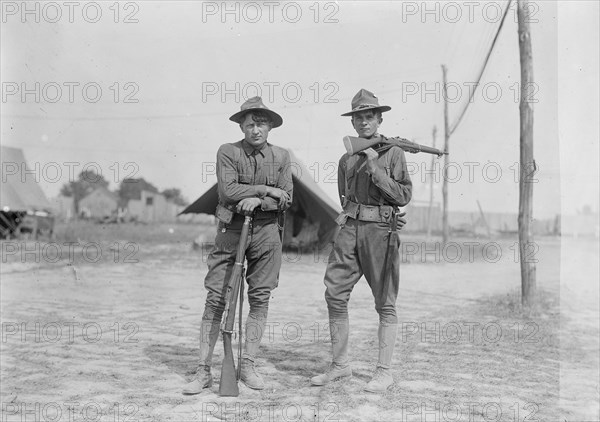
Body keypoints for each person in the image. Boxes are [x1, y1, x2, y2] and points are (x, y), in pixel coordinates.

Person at [183, 96, 293, 394]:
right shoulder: (228, 152)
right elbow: (228, 190)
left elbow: (287, 197)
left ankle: (248, 365)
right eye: (249, 124)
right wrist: (265, 188)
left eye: (261, 124)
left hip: (268, 234)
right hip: (231, 231)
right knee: (217, 297)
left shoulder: (283, 157)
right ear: (242, 126)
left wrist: (258, 199)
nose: (255, 129)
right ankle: (203, 369)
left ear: (270, 126)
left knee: (260, 298)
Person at [310, 89, 412, 393]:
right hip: (351, 228)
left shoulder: (394, 153)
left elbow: (404, 196)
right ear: (353, 122)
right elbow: (345, 198)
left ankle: (384, 371)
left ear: (379, 119)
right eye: (358, 117)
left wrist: (376, 169)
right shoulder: (346, 158)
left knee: (385, 301)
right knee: (334, 293)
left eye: (369, 116)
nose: (364, 122)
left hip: (380, 231)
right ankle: (340, 366)